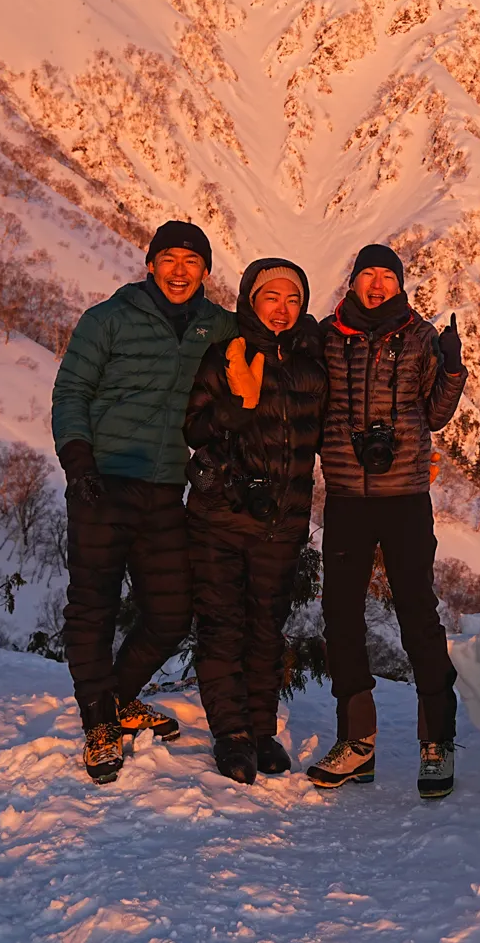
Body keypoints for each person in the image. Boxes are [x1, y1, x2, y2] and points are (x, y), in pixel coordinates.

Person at [51, 220, 236, 783]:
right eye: (169, 259)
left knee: (171, 612)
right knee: (93, 608)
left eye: (192, 262)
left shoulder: (217, 326)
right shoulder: (107, 319)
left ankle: (115, 700)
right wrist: (79, 463)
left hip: (163, 488)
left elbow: (275, 339)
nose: (180, 271)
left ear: (206, 271)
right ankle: (99, 724)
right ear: (150, 263)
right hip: (102, 483)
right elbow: (71, 392)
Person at [307, 243, 466, 798]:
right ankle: (357, 743)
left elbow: (437, 417)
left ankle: (437, 740)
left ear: (400, 284)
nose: (377, 285)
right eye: (367, 275)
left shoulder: (421, 336)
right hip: (347, 494)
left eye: (386, 277)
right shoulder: (328, 336)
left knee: (417, 612)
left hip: (403, 497)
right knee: (340, 615)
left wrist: (452, 369)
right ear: (352, 281)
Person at [182, 258, 326, 783]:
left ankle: (261, 730)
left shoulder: (313, 363)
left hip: (283, 521)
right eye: (271, 298)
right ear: (250, 301)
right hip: (221, 515)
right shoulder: (227, 354)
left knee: (267, 627)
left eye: (292, 299)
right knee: (222, 626)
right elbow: (196, 428)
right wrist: (239, 404)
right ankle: (232, 734)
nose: (282, 309)